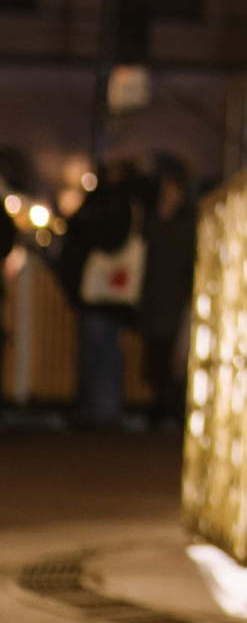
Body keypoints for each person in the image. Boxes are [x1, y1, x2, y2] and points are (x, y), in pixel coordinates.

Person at [49, 158, 158, 432]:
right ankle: (97, 410)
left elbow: (104, 238)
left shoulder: (119, 203)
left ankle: (105, 413)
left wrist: (87, 224)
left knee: (102, 351)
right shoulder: (114, 201)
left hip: (104, 294)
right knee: (96, 351)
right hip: (100, 294)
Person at [139, 158, 201, 428]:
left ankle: (172, 405)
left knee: (177, 350)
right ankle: (159, 404)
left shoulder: (189, 223)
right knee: (157, 350)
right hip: (156, 295)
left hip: (177, 295)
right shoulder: (154, 220)